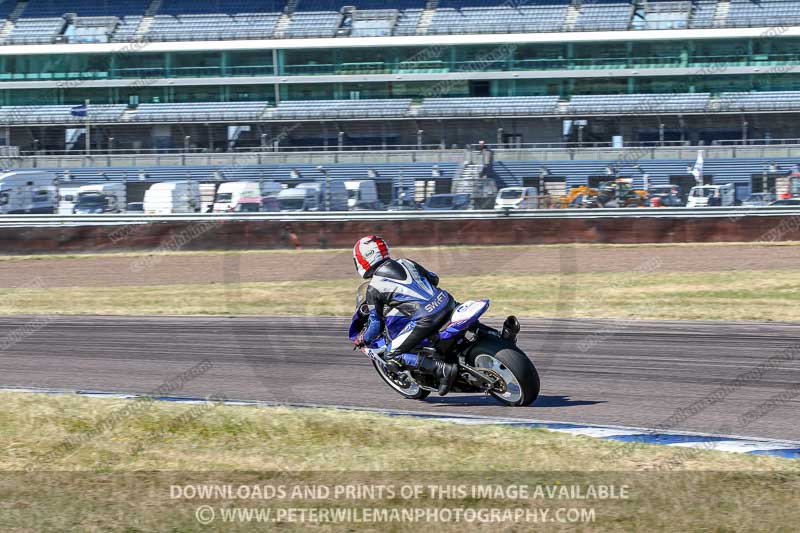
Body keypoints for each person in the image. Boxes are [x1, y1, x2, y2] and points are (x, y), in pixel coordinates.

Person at [352, 235, 459, 396]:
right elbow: (434, 279)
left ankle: (442, 369)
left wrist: (363, 339)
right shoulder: (405, 262)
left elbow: (376, 324)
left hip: (426, 318)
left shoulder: (374, 288)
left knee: (391, 354)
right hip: (446, 301)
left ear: (365, 258)